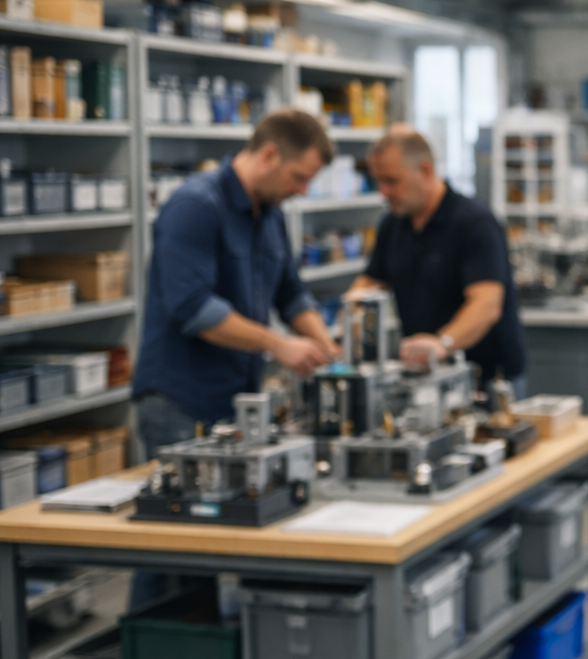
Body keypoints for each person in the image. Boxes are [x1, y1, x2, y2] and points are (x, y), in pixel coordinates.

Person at [131, 108, 341, 608]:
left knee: (212, 542)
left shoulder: (269, 215)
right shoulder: (195, 206)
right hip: (179, 401)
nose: (304, 191)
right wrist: (277, 345)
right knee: (175, 547)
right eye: (300, 177)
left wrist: (331, 350)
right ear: (269, 154)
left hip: (231, 402)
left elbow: (291, 292)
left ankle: (199, 655)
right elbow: (194, 309)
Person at [350, 126, 525, 388]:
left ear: (426, 170)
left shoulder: (475, 223)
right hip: (424, 374)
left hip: (486, 379)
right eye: (378, 181)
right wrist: (349, 314)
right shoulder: (393, 224)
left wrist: (442, 343)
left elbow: (486, 305)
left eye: (392, 181)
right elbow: (369, 284)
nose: (383, 191)